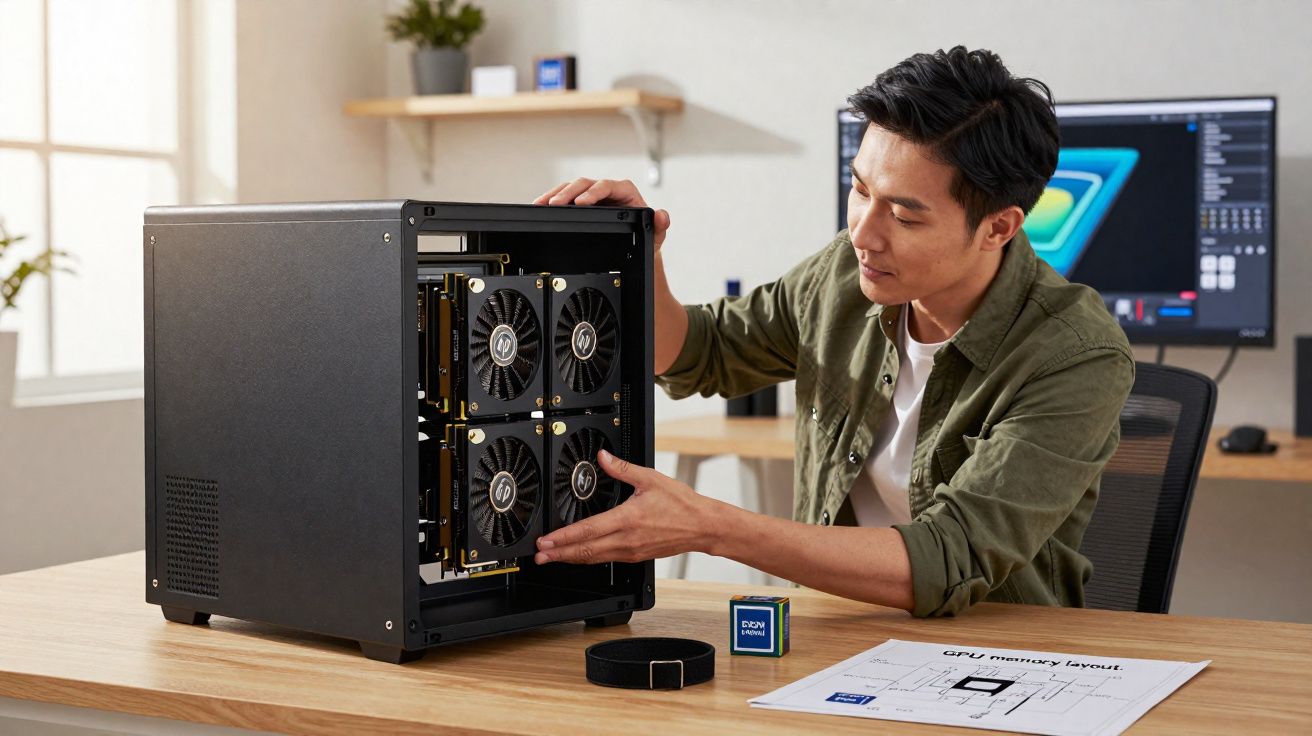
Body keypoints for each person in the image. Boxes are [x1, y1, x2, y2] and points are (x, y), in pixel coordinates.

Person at [529, 46, 1134, 617]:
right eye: (859, 189)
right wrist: (640, 259)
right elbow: (697, 353)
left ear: (998, 228)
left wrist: (712, 526)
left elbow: (950, 556)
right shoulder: (843, 272)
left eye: (901, 215)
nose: (863, 234)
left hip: (997, 654)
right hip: (834, 635)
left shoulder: (1075, 354)